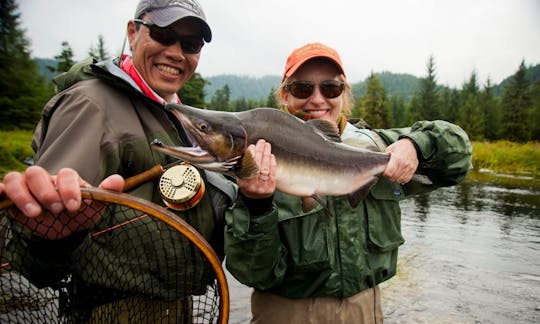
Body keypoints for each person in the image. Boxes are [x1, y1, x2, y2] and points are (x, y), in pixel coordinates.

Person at [0, 1, 265, 322]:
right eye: (164, 35)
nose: (176, 52)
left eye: (190, 44)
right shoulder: (91, 104)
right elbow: (37, 256)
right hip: (111, 312)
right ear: (132, 32)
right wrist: (51, 237)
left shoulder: (175, 114)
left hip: (175, 307)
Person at [223, 42, 473, 323]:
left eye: (330, 88)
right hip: (284, 313)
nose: (317, 99)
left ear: (344, 93)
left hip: (364, 312)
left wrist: (415, 144)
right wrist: (257, 206)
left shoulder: (378, 147)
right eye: (303, 89)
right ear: (286, 95)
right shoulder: (255, 159)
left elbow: (459, 159)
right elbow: (250, 273)